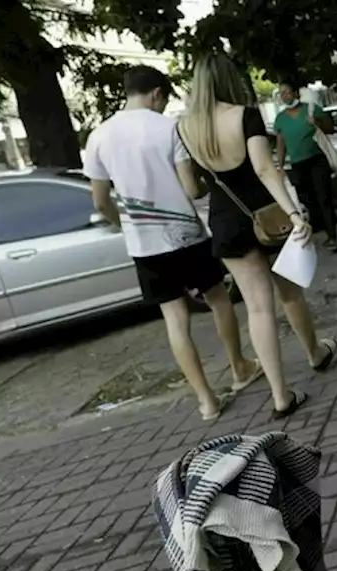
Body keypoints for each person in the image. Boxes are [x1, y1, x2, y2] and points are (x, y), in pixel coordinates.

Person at [83, 65, 262, 422]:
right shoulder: (169, 128)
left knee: (175, 319)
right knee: (217, 299)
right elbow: (192, 189)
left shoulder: (98, 137)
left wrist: (127, 224)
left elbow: (100, 202)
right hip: (186, 234)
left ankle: (207, 401)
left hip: (144, 245)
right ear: (157, 94)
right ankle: (240, 367)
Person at [178, 54, 337, 420]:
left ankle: (281, 396)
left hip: (226, 220)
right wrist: (295, 214)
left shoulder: (185, 128)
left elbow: (193, 189)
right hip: (267, 215)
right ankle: (315, 354)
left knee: (256, 308)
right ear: (227, 79)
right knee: (289, 291)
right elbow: (266, 169)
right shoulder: (245, 114)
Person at [274, 82, 337, 253]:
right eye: (281, 93)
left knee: (324, 197)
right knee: (308, 201)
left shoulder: (311, 109)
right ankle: (320, 230)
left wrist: (316, 121)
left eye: (287, 92)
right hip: (298, 165)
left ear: (295, 93)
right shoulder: (280, 119)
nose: (284, 96)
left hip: (317, 160)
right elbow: (280, 143)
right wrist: (280, 166)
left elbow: (330, 128)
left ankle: (332, 236)